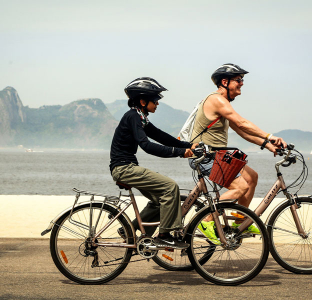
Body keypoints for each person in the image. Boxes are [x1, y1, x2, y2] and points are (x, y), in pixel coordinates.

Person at [191, 63, 287, 244]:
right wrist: (270, 136)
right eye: (239, 80)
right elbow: (242, 123)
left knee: (252, 178)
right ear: (224, 82)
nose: (242, 84)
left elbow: (241, 131)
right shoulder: (216, 99)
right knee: (240, 188)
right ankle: (206, 221)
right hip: (206, 156)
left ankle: (241, 220)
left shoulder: (223, 104)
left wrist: (267, 144)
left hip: (218, 156)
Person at [110, 77, 196, 249]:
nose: (157, 103)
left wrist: (188, 145)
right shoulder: (133, 116)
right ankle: (164, 235)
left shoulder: (140, 117)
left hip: (127, 167)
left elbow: (160, 136)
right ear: (143, 101)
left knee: (160, 201)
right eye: (155, 100)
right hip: (124, 168)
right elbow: (147, 146)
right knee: (170, 188)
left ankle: (130, 229)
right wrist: (180, 153)